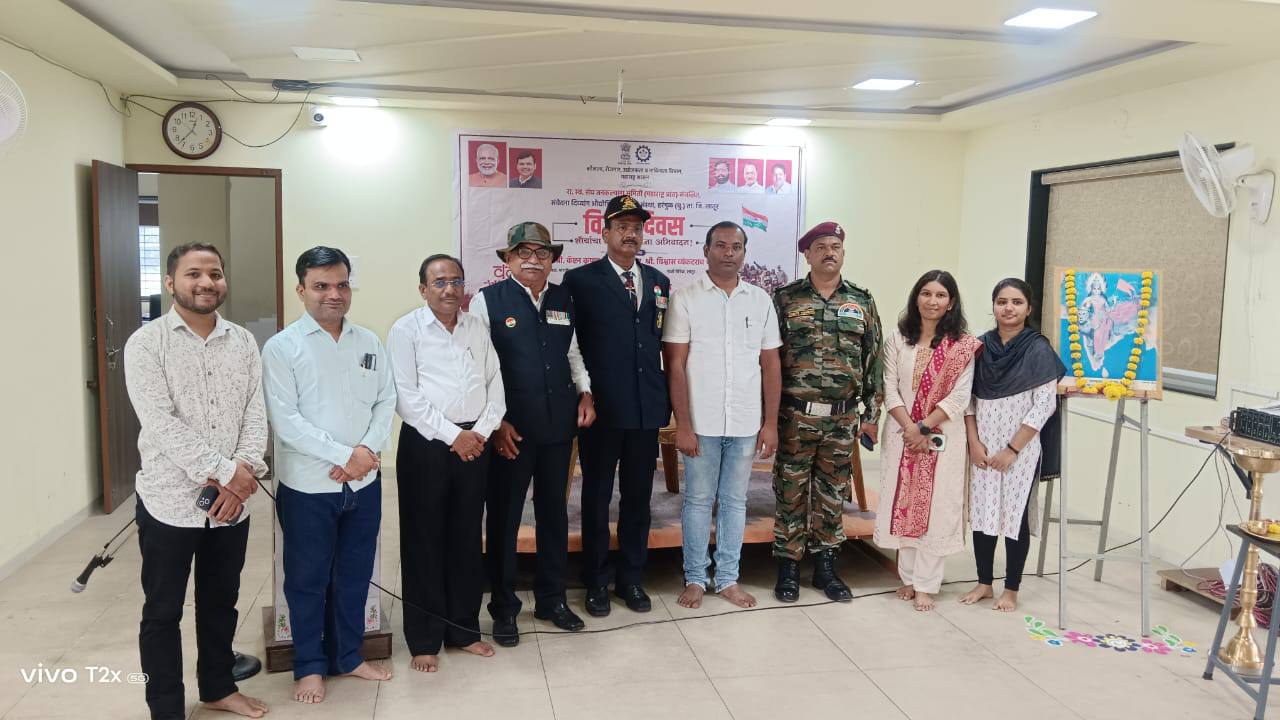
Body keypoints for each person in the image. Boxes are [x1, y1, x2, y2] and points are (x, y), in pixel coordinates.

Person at [124, 242, 269, 720]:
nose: (206, 282)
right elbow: (160, 424)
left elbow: (255, 413)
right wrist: (229, 474)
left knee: (221, 603)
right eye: (193, 274)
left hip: (231, 504)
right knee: (162, 611)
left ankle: (219, 688)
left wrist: (241, 472)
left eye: (215, 273)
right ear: (170, 282)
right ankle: (165, 707)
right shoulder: (147, 344)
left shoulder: (242, 342)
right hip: (168, 500)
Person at [262, 246, 397, 703]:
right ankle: (308, 666)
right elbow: (286, 421)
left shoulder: (368, 341)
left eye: (341, 285)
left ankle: (348, 656)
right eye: (321, 286)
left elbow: (386, 400)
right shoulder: (282, 347)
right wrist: (346, 454)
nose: (333, 294)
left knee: (355, 575)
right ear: (301, 290)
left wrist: (365, 453)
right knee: (307, 580)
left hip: (364, 483)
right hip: (308, 487)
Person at [470, 222, 594, 644]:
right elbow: (478, 368)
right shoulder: (487, 301)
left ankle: (551, 600)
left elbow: (572, 353)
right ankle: (504, 608)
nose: (533, 260)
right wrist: (495, 423)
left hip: (558, 426)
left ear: (552, 260)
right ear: (508, 259)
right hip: (511, 431)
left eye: (542, 253)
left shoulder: (562, 298)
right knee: (504, 518)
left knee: (553, 514)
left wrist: (585, 393)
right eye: (523, 252)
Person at [388, 254, 505, 670]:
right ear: (423, 289)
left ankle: (464, 630)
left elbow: (495, 383)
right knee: (424, 540)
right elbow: (406, 396)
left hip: (475, 443)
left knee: (466, 538)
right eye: (439, 282)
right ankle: (424, 638)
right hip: (427, 445)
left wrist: (481, 432)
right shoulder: (406, 330)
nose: (449, 289)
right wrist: (455, 436)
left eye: (456, 281)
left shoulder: (476, 327)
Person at [563, 194, 671, 617]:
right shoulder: (580, 281)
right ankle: (595, 580)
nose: (631, 233)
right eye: (622, 226)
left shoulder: (659, 281)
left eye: (637, 227)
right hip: (602, 409)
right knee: (596, 497)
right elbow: (571, 346)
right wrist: (583, 392)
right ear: (604, 232)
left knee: (639, 498)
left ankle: (631, 578)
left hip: (645, 409)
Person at [664, 221, 781, 609]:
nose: (729, 252)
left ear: (744, 253)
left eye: (736, 247)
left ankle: (728, 578)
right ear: (706, 250)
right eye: (720, 245)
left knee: (735, 501)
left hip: (746, 421)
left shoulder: (760, 301)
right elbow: (675, 365)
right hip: (702, 422)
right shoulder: (686, 299)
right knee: (698, 500)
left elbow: (770, 364)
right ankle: (695, 578)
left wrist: (770, 423)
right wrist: (683, 425)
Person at [771, 221, 883, 603]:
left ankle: (826, 568)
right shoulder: (785, 298)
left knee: (833, 493)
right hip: (794, 416)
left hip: (842, 418)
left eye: (835, 246)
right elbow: (768, 360)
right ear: (807, 255)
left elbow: (873, 361)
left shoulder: (862, 301)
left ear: (843, 252)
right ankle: (788, 566)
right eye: (820, 247)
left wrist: (872, 415)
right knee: (790, 491)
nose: (828, 253)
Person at [872, 270, 981, 612]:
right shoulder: (898, 338)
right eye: (926, 293)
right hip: (901, 434)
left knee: (935, 508)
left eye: (940, 295)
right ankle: (907, 578)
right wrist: (910, 427)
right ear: (916, 297)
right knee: (903, 502)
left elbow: (960, 395)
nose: (932, 301)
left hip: (943, 436)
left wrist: (924, 427)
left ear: (951, 303)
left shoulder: (962, 345)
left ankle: (926, 584)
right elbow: (889, 387)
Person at [959, 278, 1065, 613]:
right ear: (993, 306)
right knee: (983, 512)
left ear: (1028, 308)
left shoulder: (1038, 349)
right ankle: (984, 583)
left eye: (1017, 302)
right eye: (1002, 301)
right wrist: (974, 442)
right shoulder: (980, 347)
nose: (1009, 308)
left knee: (1014, 516)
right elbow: (968, 399)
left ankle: (1011, 589)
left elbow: (1044, 405)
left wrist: (1012, 450)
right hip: (983, 447)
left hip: (1021, 448)